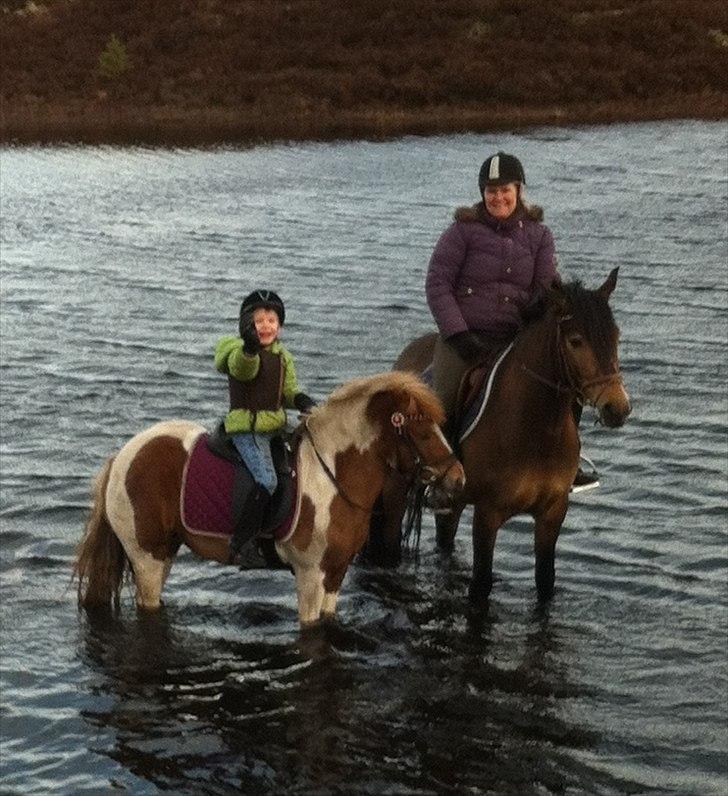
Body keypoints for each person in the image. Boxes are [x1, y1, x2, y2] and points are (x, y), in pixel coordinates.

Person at [425, 151, 598, 492]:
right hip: (465, 339)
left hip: (514, 339)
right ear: (482, 193)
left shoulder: (539, 235)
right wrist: (458, 334)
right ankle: (440, 477)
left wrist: (545, 310)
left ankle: (569, 462)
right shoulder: (461, 231)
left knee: (569, 383)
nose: (498, 197)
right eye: (490, 190)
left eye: (504, 189)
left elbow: (545, 287)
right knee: (443, 399)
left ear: (519, 189)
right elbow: (438, 284)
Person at [215, 289, 316, 563]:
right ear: (247, 326)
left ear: (280, 327)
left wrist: (303, 400)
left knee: (293, 474)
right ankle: (242, 542)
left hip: (272, 429)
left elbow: (288, 390)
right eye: (258, 321)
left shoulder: (284, 357)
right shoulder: (237, 351)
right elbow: (243, 369)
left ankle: (280, 536)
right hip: (246, 430)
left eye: (272, 321)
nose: (266, 326)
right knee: (266, 480)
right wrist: (249, 348)